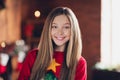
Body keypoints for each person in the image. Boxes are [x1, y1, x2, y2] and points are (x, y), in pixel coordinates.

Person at [18, 7, 87, 80]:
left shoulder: (80, 63)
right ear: (48, 30)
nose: (60, 32)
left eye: (66, 27)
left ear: (73, 31)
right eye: (55, 27)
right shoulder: (33, 56)